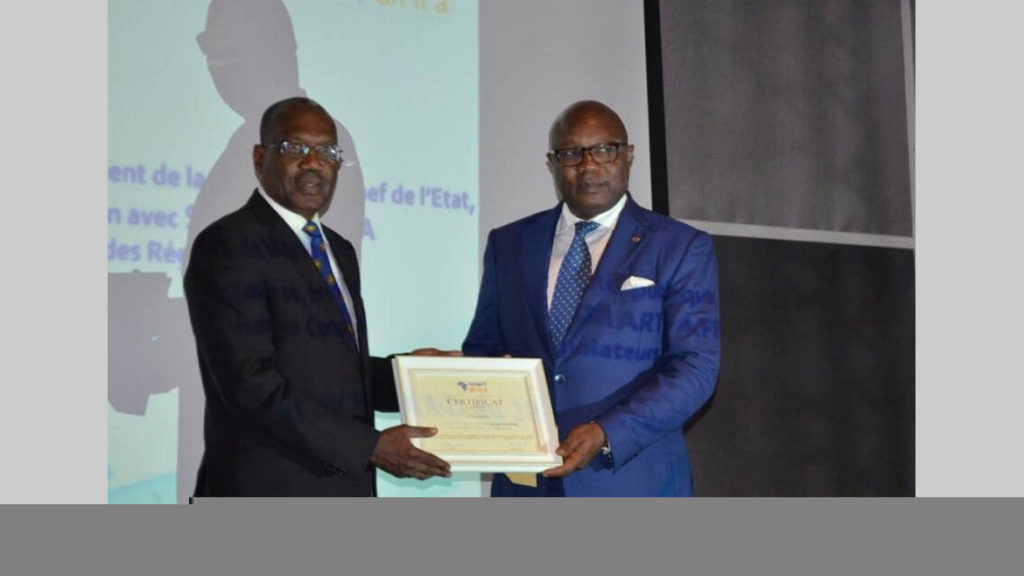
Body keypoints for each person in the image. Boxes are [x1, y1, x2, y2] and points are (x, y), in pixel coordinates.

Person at [184, 97, 450, 496]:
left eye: (326, 152)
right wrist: (369, 446)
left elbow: (329, 372)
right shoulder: (227, 244)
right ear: (260, 158)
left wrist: (417, 377)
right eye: (295, 148)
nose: (313, 163)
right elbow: (250, 384)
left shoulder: (338, 249)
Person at [462, 100, 720, 496]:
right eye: (571, 153)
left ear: (628, 155)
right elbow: (486, 349)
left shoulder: (680, 247)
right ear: (552, 163)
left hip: (632, 482)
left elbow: (695, 368)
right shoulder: (509, 244)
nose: (587, 165)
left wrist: (607, 432)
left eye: (603, 150)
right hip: (528, 487)